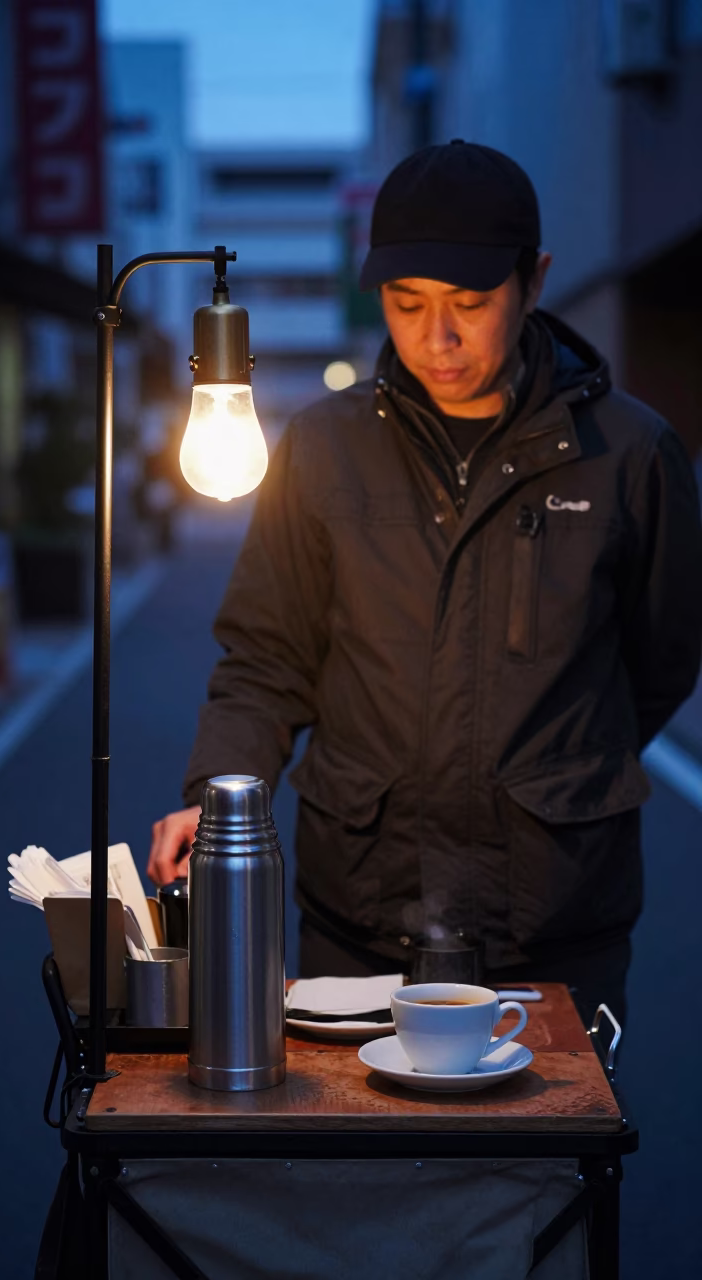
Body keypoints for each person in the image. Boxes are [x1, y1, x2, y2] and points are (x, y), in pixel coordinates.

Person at [148, 140, 702, 1027]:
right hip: (361, 910)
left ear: (534, 281)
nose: (436, 338)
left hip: (558, 921)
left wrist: (560, 773)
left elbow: (662, 655)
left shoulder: (630, 453)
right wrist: (214, 793)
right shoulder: (324, 448)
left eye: (469, 304)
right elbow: (265, 656)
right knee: (352, 1122)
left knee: (562, 1121)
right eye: (407, 304)